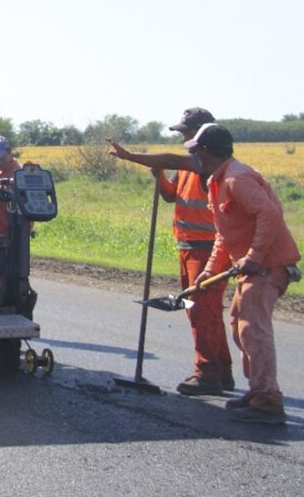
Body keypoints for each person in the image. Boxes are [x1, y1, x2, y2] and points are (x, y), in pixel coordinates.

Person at [111, 123, 301, 423]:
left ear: (206, 152)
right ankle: (258, 390)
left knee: (252, 328)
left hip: (269, 265)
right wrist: (209, 273)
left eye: (196, 151)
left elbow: (270, 214)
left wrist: (253, 257)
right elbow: (224, 236)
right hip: (255, 266)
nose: (193, 157)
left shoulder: (237, 178)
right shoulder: (218, 180)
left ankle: (267, 400)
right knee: (238, 323)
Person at [107, 108, 233, 396]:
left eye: (186, 131)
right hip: (189, 245)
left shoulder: (206, 162)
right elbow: (170, 195)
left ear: (203, 133)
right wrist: (160, 175)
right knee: (205, 310)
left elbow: (169, 158)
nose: (183, 137)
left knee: (201, 310)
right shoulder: (190, 163)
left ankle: (207, 373)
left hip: (207, 247)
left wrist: (131, 156)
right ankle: (221, 370)